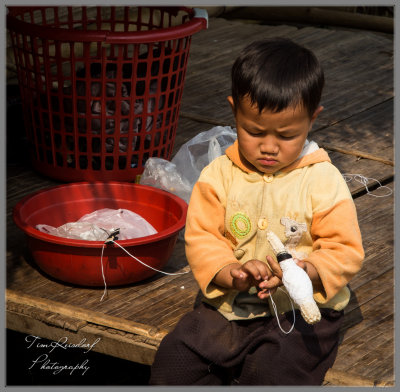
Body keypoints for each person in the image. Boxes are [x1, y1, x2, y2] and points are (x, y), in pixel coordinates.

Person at [149, 37, 364, 385]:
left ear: (313, 119)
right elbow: (204, 238)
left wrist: (304, 271)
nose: (268, 147)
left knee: (272, 372)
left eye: (286, 135)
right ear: (234, 111)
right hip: (229, 308)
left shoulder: (323, 179)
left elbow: (345, 250)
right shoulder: (218, 175)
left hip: (303, 313)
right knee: (175, 360)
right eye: (253, 131)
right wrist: (230, 272)